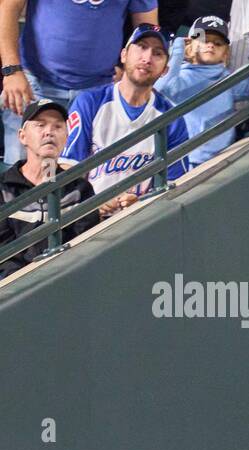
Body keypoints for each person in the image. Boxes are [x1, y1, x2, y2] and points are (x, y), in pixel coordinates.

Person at [0, 0, 160, 168]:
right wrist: (12, 70)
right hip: (35, 85)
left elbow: (147, 30)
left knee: (85, 180)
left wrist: (127, 68)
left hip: (98, 92)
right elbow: (8, 7)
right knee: (25, 178)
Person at [61, 25, 190, 212]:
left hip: (139, 221)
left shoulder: (171, 118)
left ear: (165, 70)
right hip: (86, 218)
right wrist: (90, 202)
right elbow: (68, 167)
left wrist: (142, 202)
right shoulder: (90, 103)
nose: (147, 58)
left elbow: (173, 184)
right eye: (141, 47)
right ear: (123, 55)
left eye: (158, 53)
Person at [0, 99, 98, 278]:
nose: (49, 132)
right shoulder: (3, 187)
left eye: (58, 127)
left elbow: (85, 246)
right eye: (40, 125)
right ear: (22, 136)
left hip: (64, 281)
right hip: (12, 287)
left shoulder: (80, 190)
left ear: (66, 138)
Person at [156, 16, 249, 165]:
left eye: (218, 43)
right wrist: (178, 48)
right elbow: (163, 87)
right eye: (204, 40)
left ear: (225, 53)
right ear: (189, 46)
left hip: (222, 158)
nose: (210, 45)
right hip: (185, 161)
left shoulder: (226, 78)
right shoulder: (182, 76)